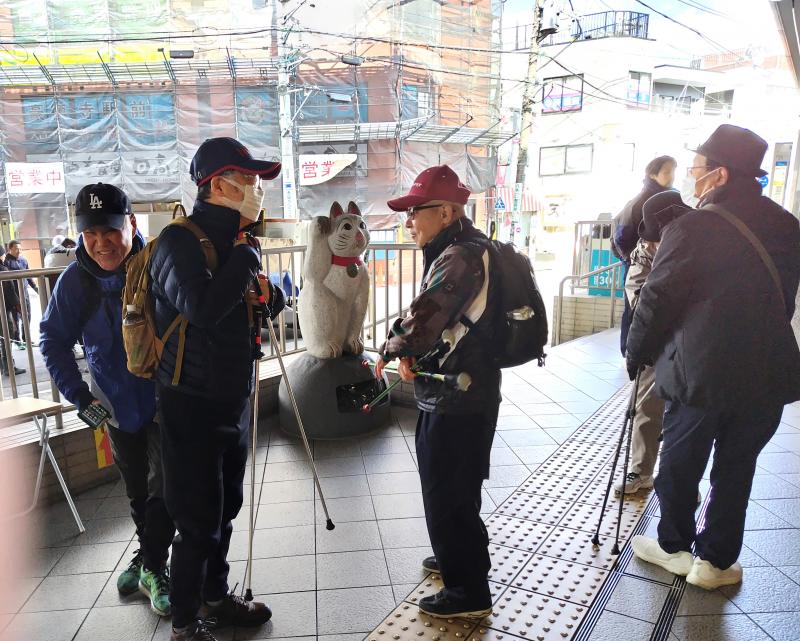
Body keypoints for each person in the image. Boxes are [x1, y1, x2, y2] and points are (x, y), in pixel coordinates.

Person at [625, 124, 800, 590]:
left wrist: (636, 352)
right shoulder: (788, 225)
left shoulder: (691, 227)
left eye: (697, 169)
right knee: (737, 467)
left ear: (719, 175)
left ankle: (673, 547)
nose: (692, 178)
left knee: (682, 460)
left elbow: (657, 300)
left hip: (700, 372)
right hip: (767, 372)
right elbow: (785, 300)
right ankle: (716, 562)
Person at [149, 137, 284, 641]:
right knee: (197, 519)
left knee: (226, 509)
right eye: (245, 179)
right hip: (189, 403)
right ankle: (184, 623)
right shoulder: (179, 242)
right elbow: (202, 309)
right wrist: (247, 259)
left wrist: (273, 295)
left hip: (232, 395)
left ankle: (215, 597)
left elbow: (246, 304)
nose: (254, 189)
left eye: (254, 180)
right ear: (216, 184)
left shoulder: (239, 242)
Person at [39, 183, 174, 615]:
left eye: (111, 231)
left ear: (131, 225)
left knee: (166, 487)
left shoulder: (157, 267)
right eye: (91, 233)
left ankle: (153, 565)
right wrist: (78, 395)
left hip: (165, 400)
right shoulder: (74, 282)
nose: (101, 243)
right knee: (137, 491)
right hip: (114, 406)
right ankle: (151, 560)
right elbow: (53, 340)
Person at [375, 165, 501, 619]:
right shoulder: (467, 248)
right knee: (459, 487)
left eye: (415, 213)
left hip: (457, 399)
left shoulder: (459, 256)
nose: (409, 222)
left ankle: (467, 593)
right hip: (466, 391)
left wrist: (393, 348)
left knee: (447, 490)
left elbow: (426, 318)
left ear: (446, 212)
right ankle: (461, 560)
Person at [614, 190, 690, 495]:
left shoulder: (700, 243)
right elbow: (639, 296)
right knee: (646, 404)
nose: (655, 243)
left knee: (687, 413)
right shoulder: (644, 250)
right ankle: (640, 471)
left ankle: (682, 478)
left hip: (692, 341)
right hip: (655, 340)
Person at [612, 156, 677, 355]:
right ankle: (629, 350)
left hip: (660, 264)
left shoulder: (672, 198)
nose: (672, 176)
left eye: (673, 171)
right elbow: (620, 236)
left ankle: (641, 350)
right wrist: (632, 260)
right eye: (667, 172)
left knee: (649, 308)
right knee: (635, 307)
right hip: (639, 265)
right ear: (652, 173)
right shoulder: (642, 201)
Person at [4, 239, 39, 349]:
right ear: (10, 249)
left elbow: (28, 276)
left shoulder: (24, 260)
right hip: (14, 295)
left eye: (20, 248)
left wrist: (36, 288)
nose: (19, 251)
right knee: (16, 318)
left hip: (25, 293)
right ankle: (17, 340)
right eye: (16, 249)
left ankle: (26, 338)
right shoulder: (6, 262)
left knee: (27, 316)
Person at [0, 245, 24, 376]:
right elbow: (10, 290)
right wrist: (18, 304)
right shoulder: (3, 269)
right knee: (6, 338)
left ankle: (4, 367)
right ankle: (9, 367)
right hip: (3, 310)